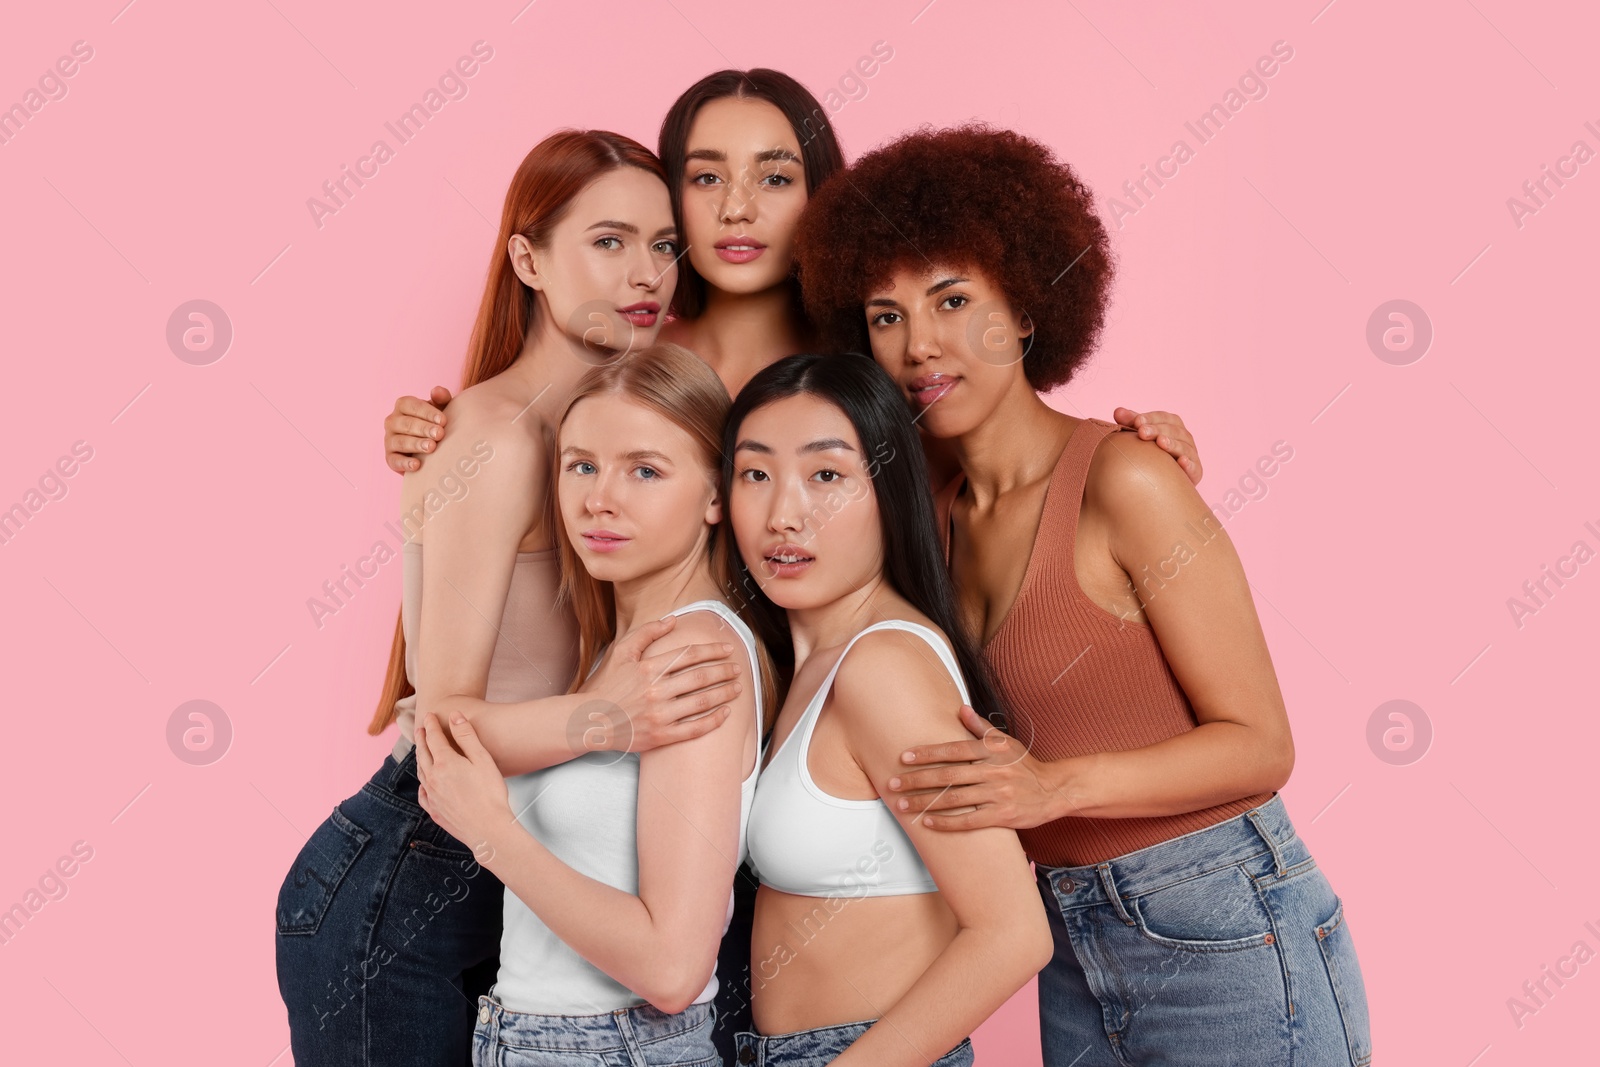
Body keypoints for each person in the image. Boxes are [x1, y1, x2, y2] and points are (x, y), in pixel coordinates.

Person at [796, 123, 1373, 1067]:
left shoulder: (1128, 483)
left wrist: (1054, 785)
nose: (920, 343)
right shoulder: (915, 509)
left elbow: (1263, 744)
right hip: (1066, 945)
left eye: (952, 300)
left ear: (1026, 311)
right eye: (885, 314)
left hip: (1222, 920)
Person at [273, 131, 744, 1067]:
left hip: (514, 854)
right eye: (608, 242)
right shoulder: (489, 438)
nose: (645, 274)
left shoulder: (606, 436)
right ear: (529, 259)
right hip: (410, 871)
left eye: (661, 246)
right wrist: (611, 720)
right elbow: (444, 726)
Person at [413, 344, 774, 1066]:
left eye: (644, 469)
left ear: (714, 494)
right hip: (549, 1039)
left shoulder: (690, 655)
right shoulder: (620, 655)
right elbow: (436, 725)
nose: (599, 498)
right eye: (580, 464)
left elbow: (673, 968)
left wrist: (493, 837)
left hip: (610, 1046)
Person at [726, 353, 1053, 1066]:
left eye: (826, 475)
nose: (784, 514)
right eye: (756, 473)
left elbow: (1012, 933)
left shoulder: (883, 668)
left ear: (889, 489)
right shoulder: (808, 662)